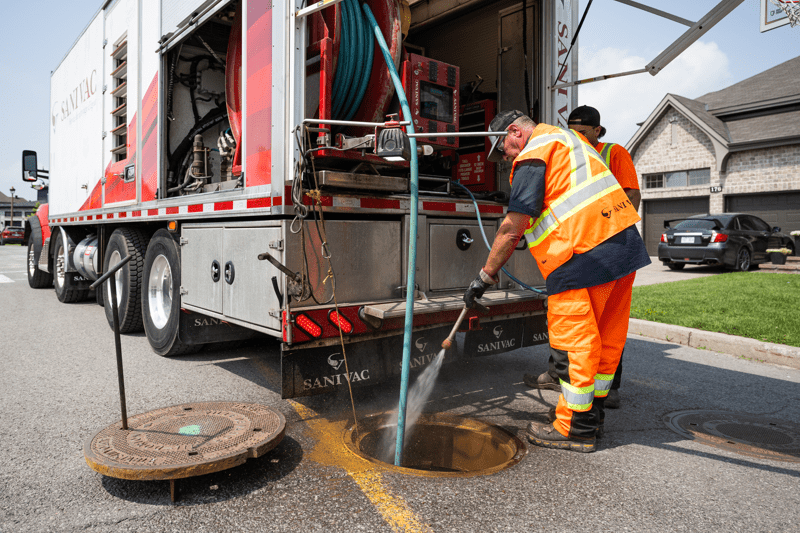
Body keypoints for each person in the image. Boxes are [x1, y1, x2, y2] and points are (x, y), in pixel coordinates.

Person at [463, 110, 650, 452]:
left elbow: (511, 225)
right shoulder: (568, 141)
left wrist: (485, 276)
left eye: (502, 149)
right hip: (621, 248)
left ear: (515, 132)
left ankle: (574, 428)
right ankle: (593, 418)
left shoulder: (536, 151)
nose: (505, 158)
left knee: (573, 342)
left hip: (582, 254)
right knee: (606, 340)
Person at [523, 105, 641, 409]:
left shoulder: (614, 153)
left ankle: (605, 390)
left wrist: (609, 232)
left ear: (598, 131)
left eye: (584, 132)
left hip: (603, 246)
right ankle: (560, 377)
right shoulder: (569, 149)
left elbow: (631, 195)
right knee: (571, 323)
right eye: (573, 131)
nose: (578, 136)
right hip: (574, 248)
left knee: (599, 326)